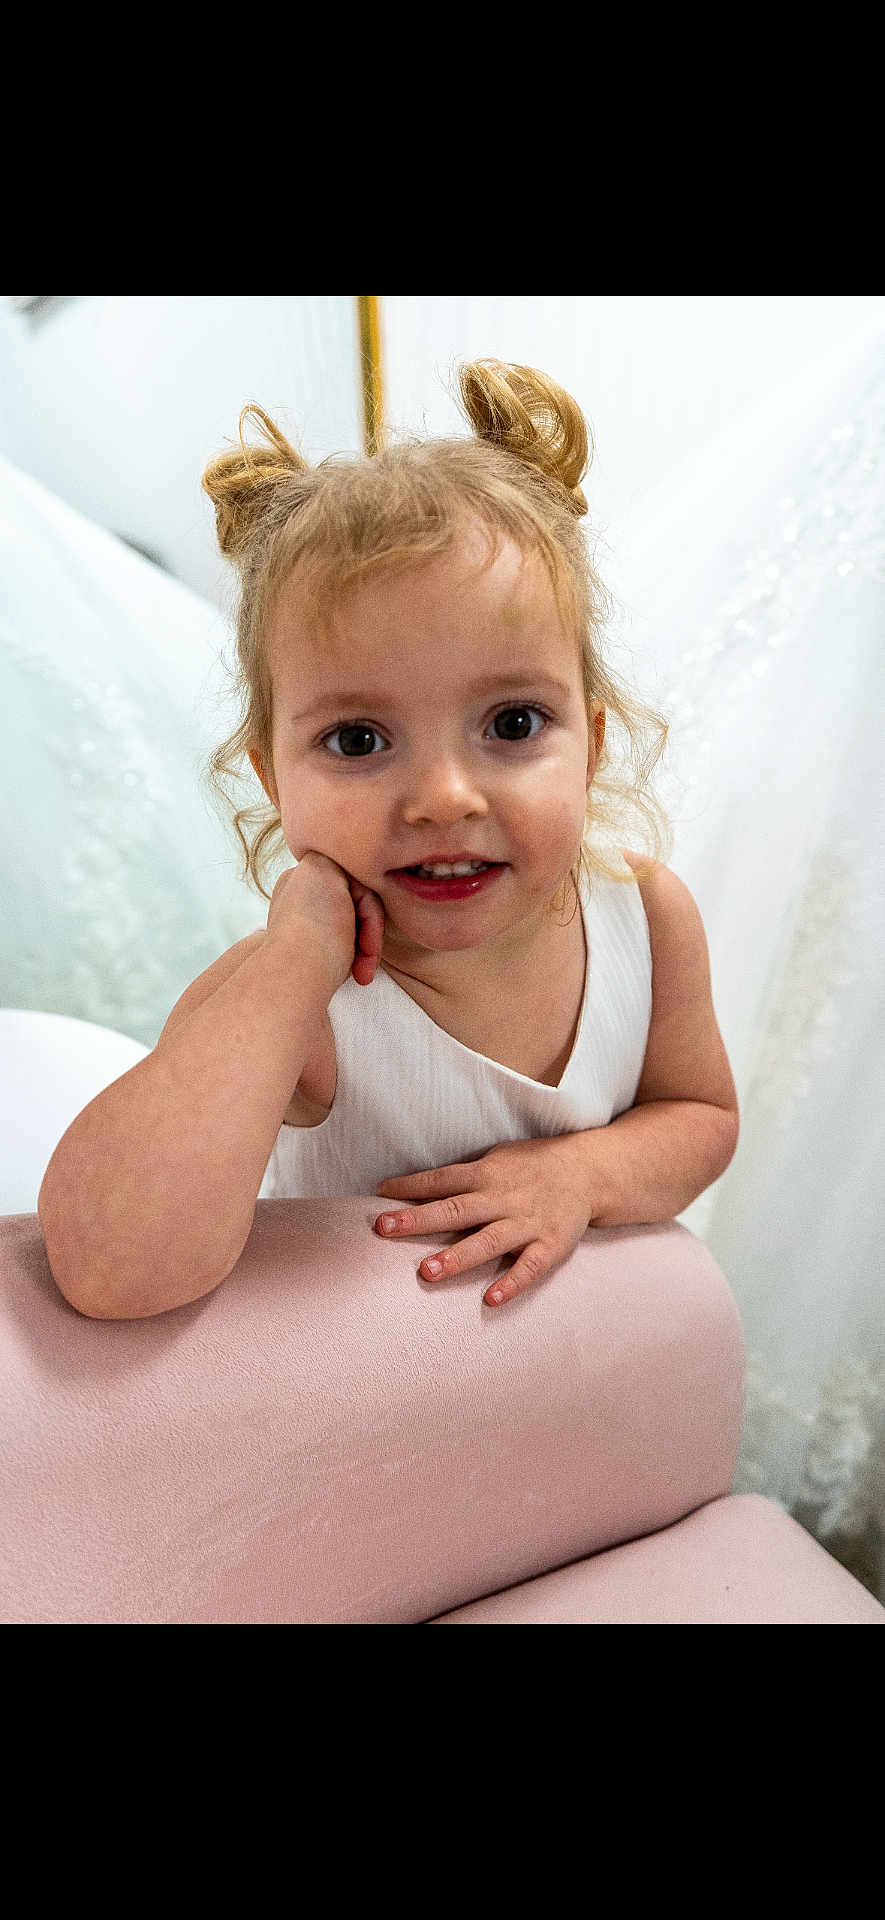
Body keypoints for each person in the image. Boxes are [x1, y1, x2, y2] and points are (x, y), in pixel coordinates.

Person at [38, 360, 739, 1320]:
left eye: (514, 724)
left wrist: (580, 1175)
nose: (443, 798)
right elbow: (110, 1269)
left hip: (580, 1381)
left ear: (594, 741)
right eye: (358, 741)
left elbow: (697, 1118)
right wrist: (293, 962)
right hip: (367, 1412)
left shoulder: (643, 916)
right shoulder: (297, 1001)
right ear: (273, 778)